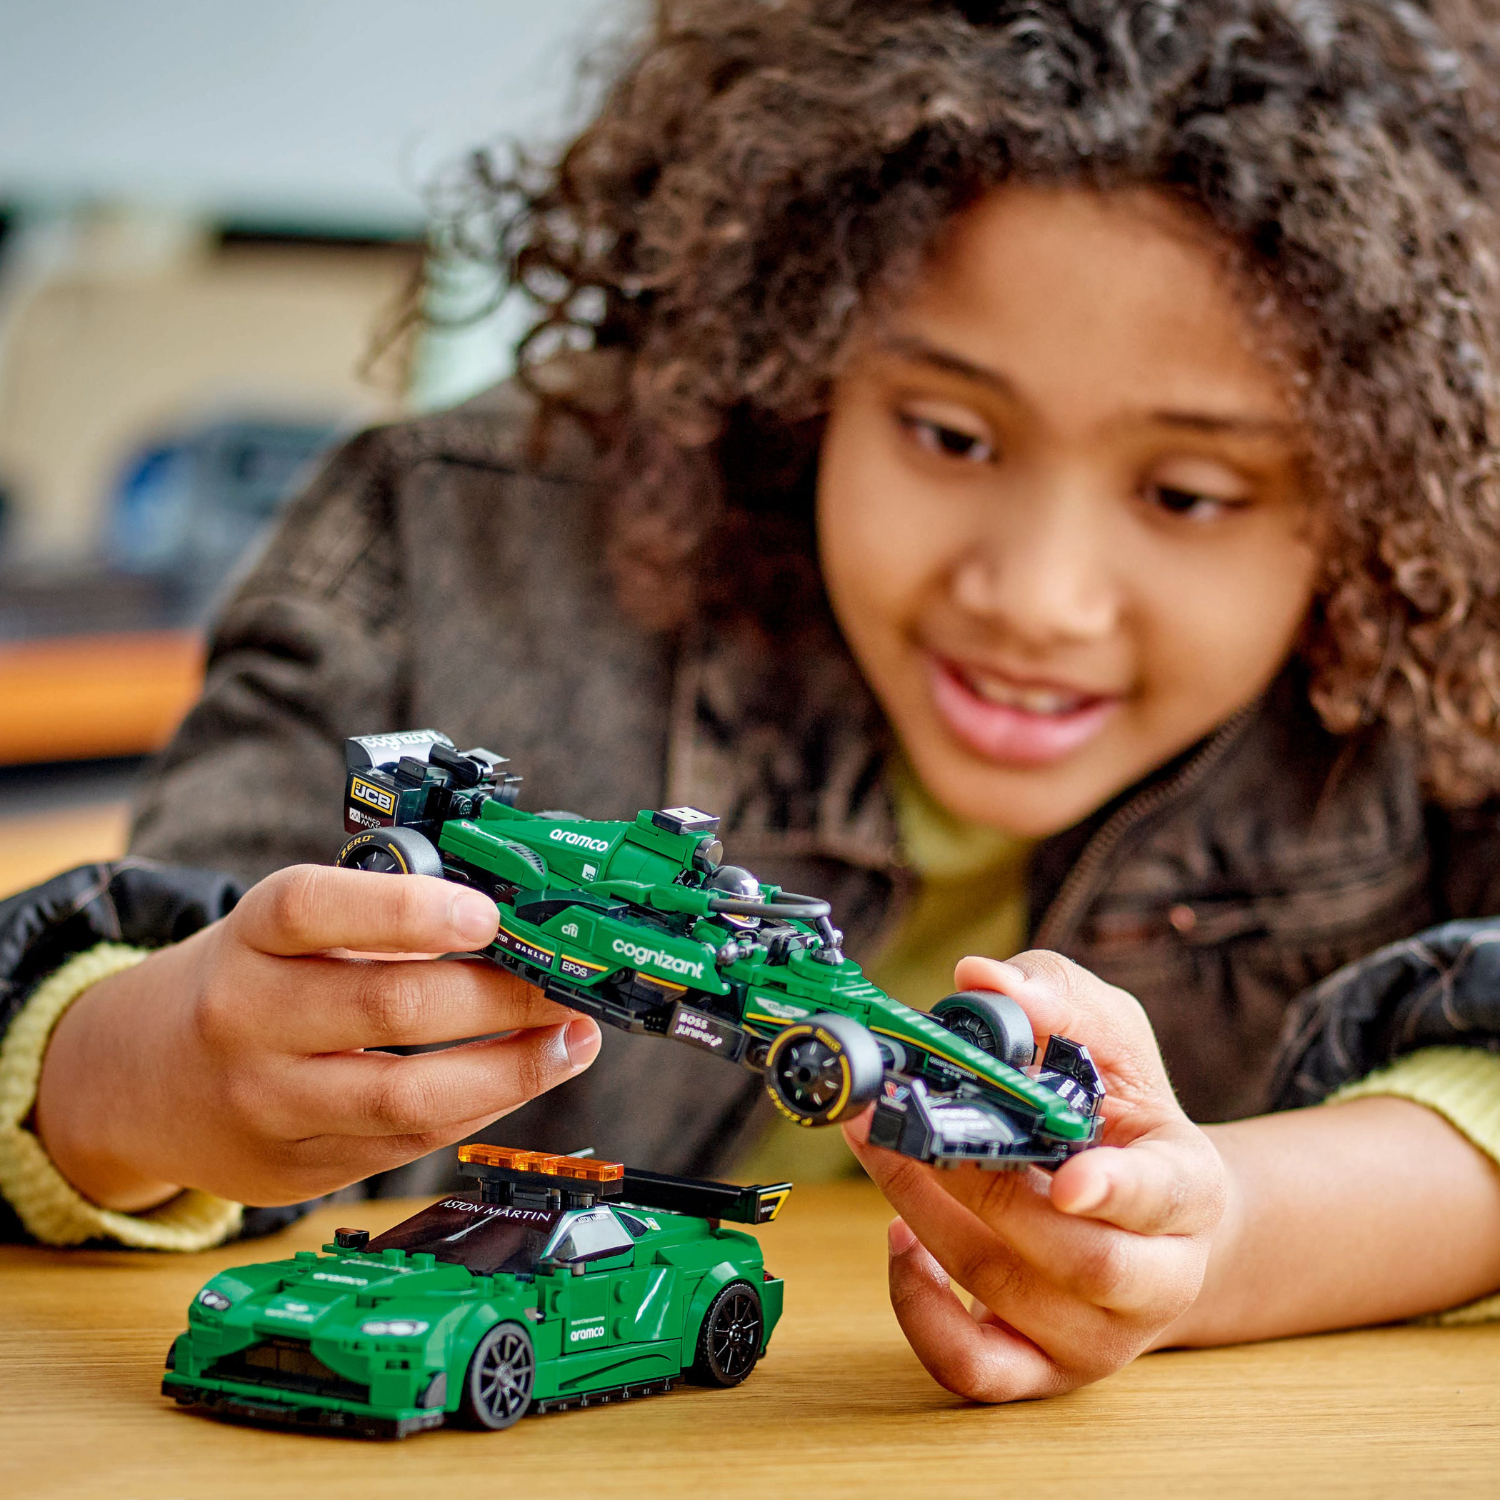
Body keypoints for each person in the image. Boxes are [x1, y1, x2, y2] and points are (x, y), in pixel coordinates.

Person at [7, 0, 1500, 1401]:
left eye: (1186, 493)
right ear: (805, 356)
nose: (1037, 596)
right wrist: (143, 1076)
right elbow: (143, 972)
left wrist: (1221, 1235)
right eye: (949, 434)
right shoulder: (461, 547)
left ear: (1384, 493)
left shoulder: (1439, 687)